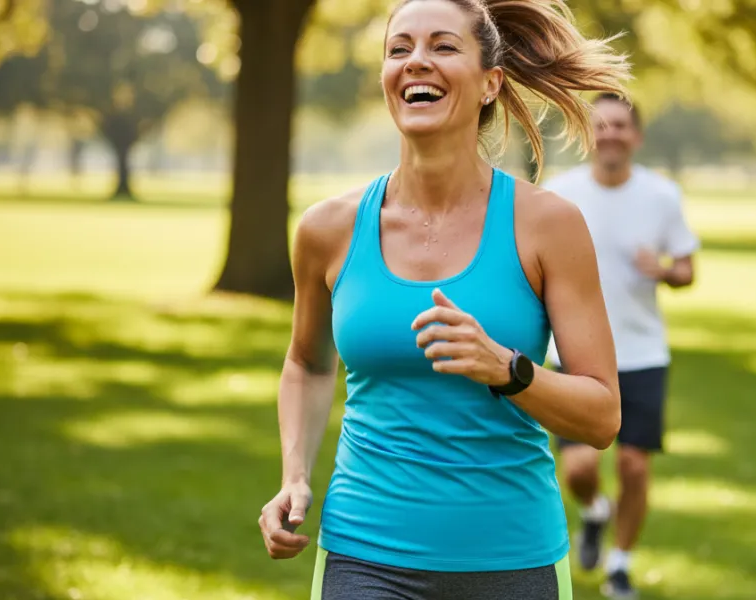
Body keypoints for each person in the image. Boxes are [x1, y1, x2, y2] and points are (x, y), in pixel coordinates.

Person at [254, 0, 632, 598]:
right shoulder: (327, 229)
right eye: (398, 49)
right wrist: (294, 475)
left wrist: (507, 370)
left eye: (443, 47)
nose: (416, 62)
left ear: (490, 84)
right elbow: (307, 360)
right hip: (365, 555)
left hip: (513, 557)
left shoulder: (548, 225)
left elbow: (603, 415)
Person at [543, 93, 699, 599]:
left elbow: (687, 269)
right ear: (589, 135)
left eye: (620, 127)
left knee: (633, 465)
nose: (610, 134)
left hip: (642, 353)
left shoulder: (662, 195)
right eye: (601, 126)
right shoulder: (559, 194)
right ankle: (594, 512)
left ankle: (621, 565)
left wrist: (666, 271)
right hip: (573, 355)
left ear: (637, 137)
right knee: (580, 468)